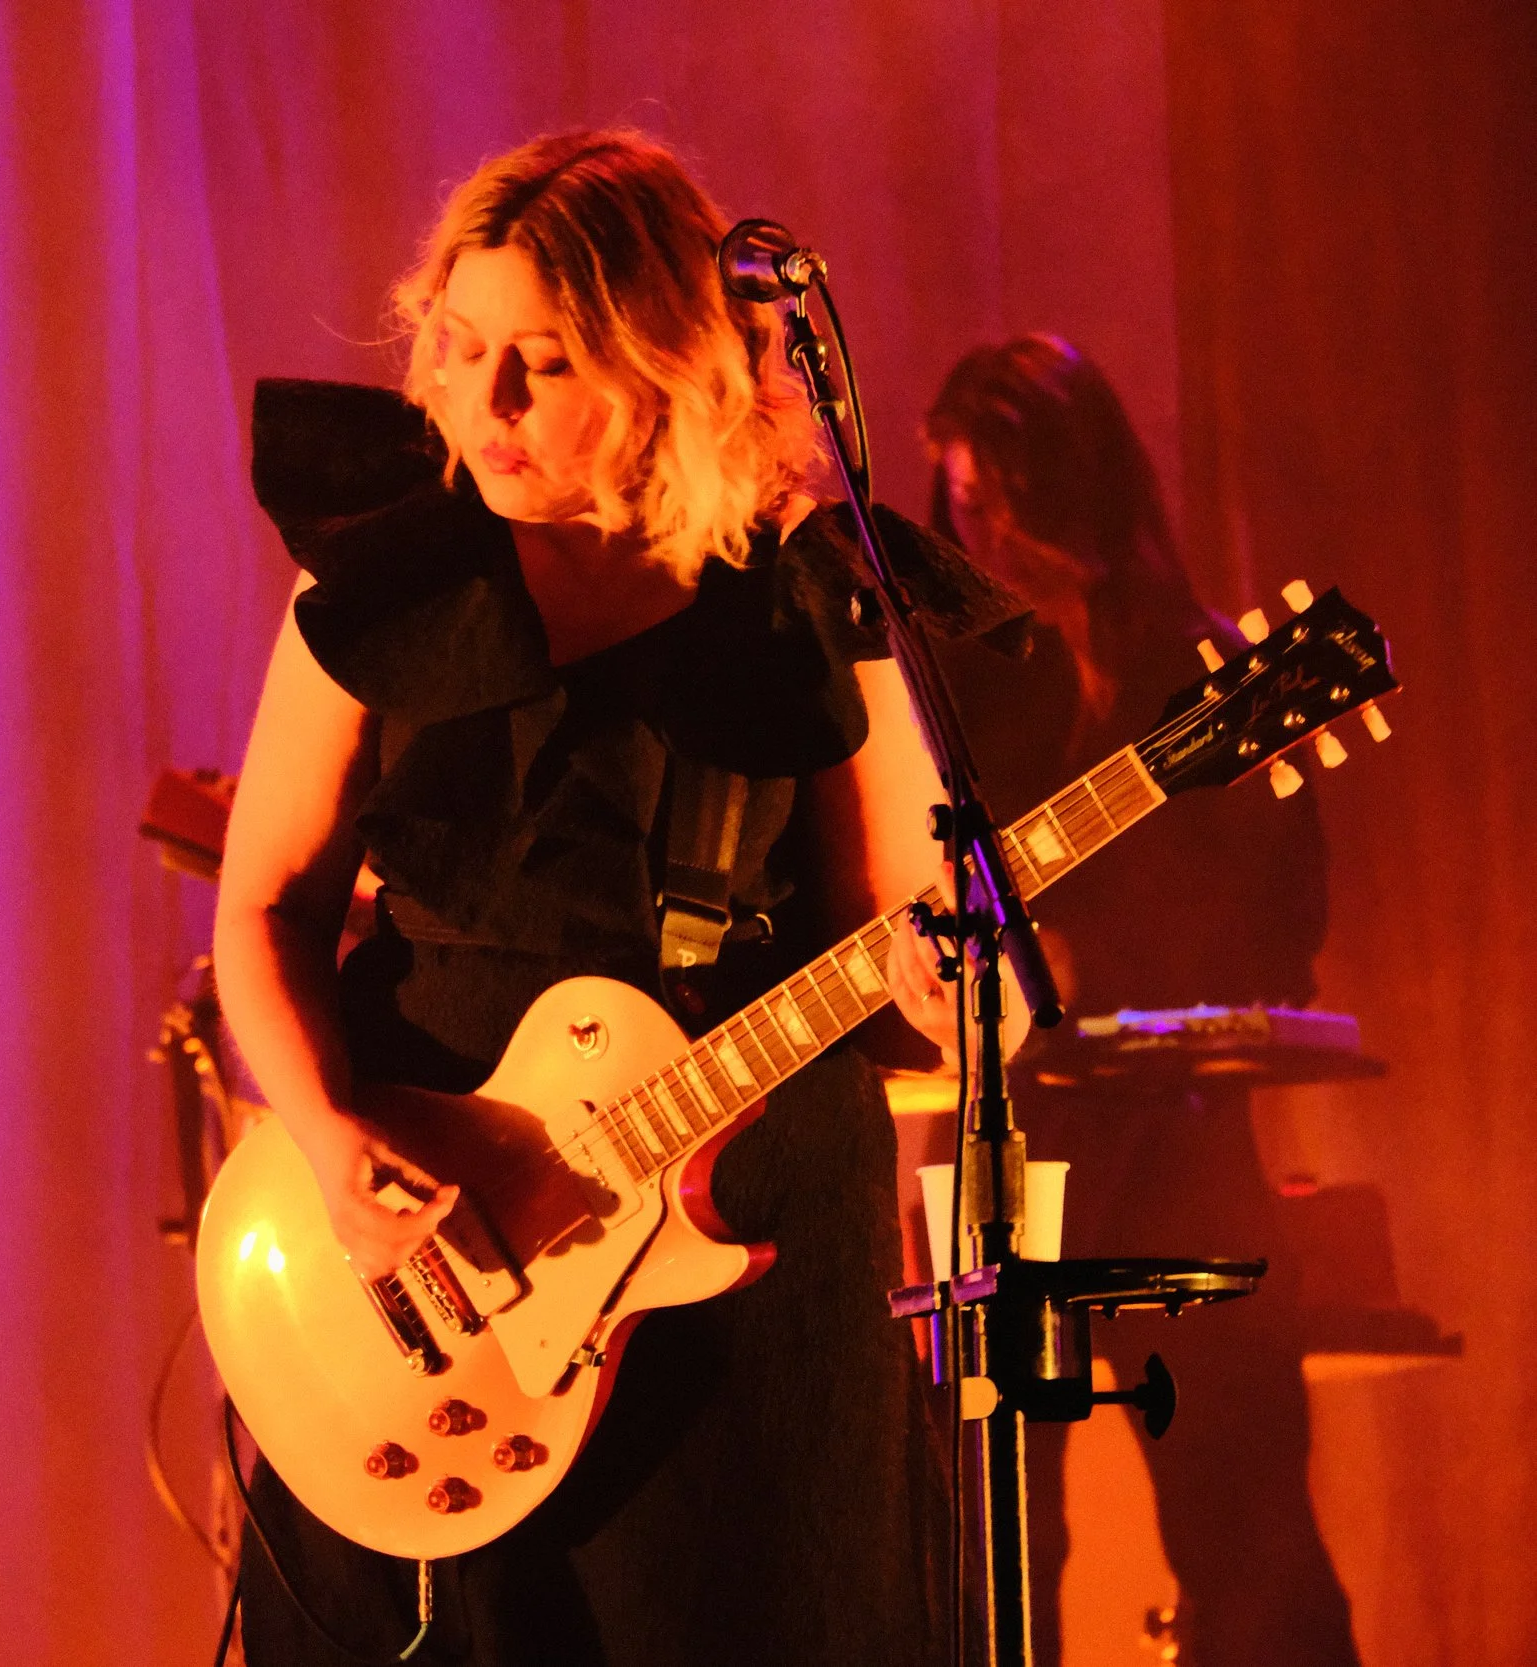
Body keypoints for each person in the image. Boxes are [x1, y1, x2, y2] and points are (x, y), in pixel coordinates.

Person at [212, 129, 1023, 1667]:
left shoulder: (809, 598)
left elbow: (919, 950)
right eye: (462, 348)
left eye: (548, 360)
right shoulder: (374, 596)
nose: (489, 402)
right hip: (435, 1275)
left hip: (741, 1294)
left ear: (665, 371)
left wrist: (952, 998)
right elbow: (264, 908)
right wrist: (325, 1138)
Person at [926, 333, 1360, 1667]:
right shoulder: (962, 687)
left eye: (1006, 499)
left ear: (1082, 490)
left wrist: (1099, 957)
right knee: (993, 1547)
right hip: (1004, 1161)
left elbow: (1282, 932)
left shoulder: (1212, 677)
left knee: (1251, 1540)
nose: (984, 535)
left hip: (1180, 1146)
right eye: (962, 506)